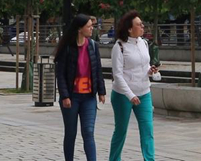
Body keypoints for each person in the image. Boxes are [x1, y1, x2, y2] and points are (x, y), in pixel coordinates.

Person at [55, 14, 106, 161]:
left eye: (92, 26)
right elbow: (61, 74)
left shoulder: (93, 46)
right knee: (71, 133)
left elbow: (98, 70)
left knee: (88, 132)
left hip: (89, 97)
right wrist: (65, 96)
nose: (92, 29)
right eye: (89, 26)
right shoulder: (67, 48)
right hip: (72, 97)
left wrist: (101, 92)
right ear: (79, 29)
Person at [109, 11, 158, 161]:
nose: (142, 26)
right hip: (123, 95)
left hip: (144, 92)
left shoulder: (143, 43)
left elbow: (144, 66)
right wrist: (130, 95)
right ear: (129, 29)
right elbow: (117, 75)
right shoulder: (119, 47)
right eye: (139, 24)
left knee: (147, 130)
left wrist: (151, 71)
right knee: (121, 130)